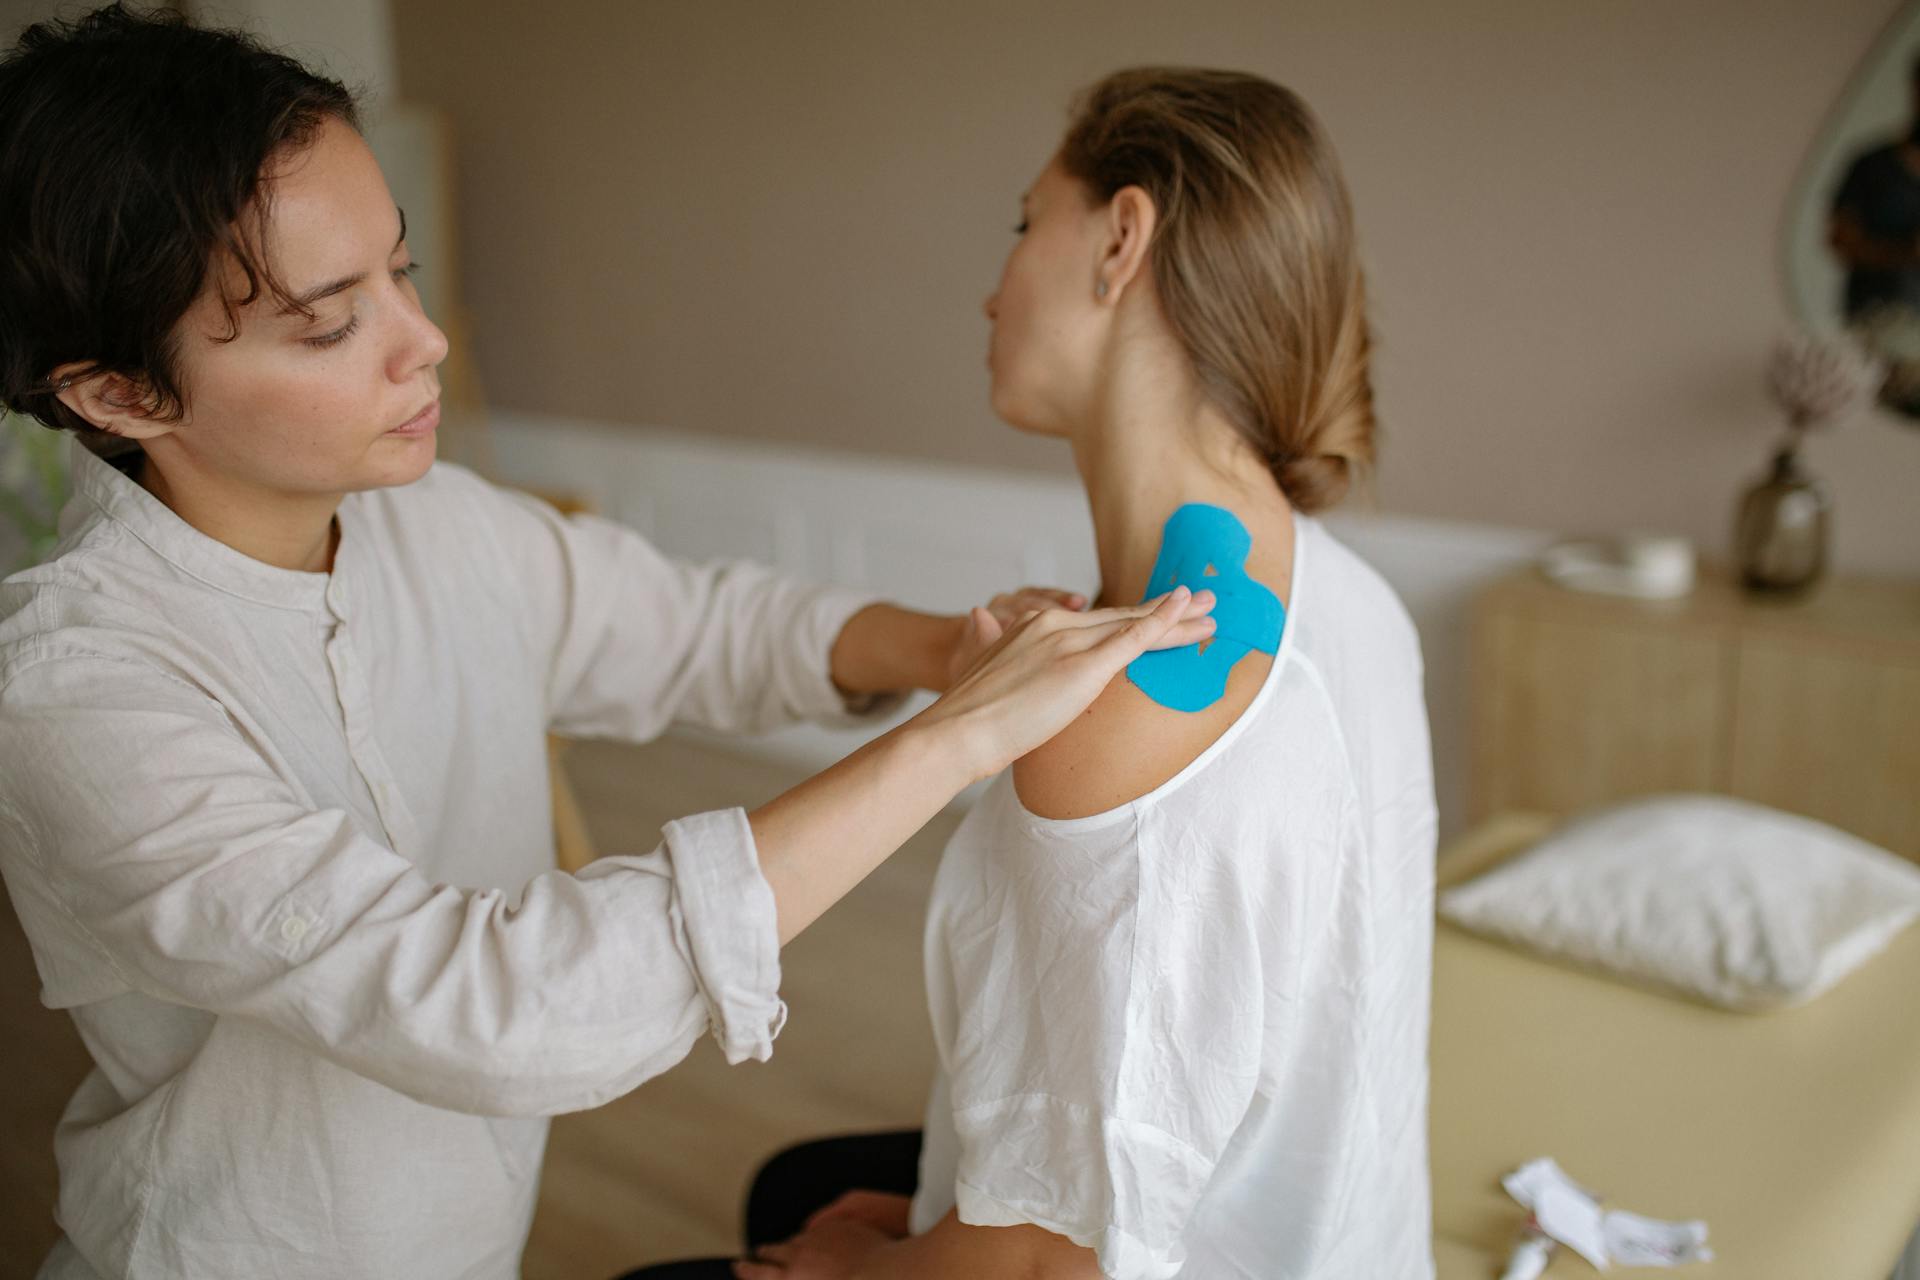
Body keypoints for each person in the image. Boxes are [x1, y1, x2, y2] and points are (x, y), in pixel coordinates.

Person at [0, 9, 1219, 1280]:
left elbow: (697, 626)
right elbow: (501, 1002)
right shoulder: (76, 697)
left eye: (401, 271)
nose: (425, 342)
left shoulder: (439, 526)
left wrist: (945, 650)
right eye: (329, 320)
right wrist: (953, 740)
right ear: (119, 394)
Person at [627, 67, 1438, 1280]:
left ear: (1122, 239)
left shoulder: (1114, 722)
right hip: (1327, 1231)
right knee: (794, 1184)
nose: (992, 284)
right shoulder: (1348, 596)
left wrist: (870, 1265)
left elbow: (1042, 1269)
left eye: (1023, 224)